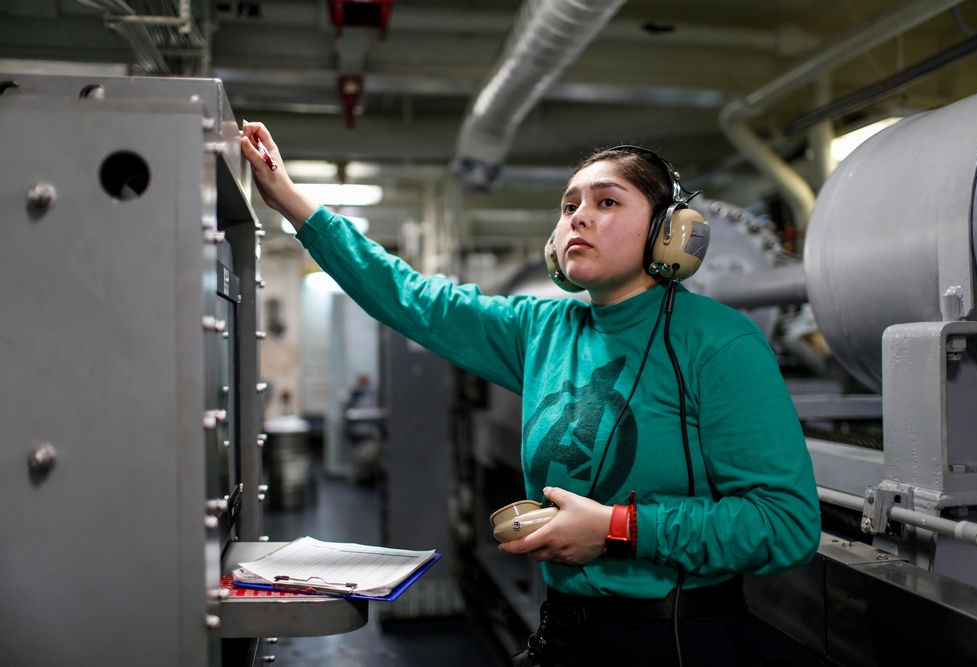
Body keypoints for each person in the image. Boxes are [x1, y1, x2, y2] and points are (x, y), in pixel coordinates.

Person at [240, 123, 821, 667]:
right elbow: (409, 296)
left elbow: (784, 522)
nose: (578, 219)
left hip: (680, 639)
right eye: (570, 206)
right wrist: (291, 200)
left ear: (668, 232)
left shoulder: (720, 343)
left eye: (607, 202)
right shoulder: (542, 329)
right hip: (567, 633)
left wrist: (618, 528)